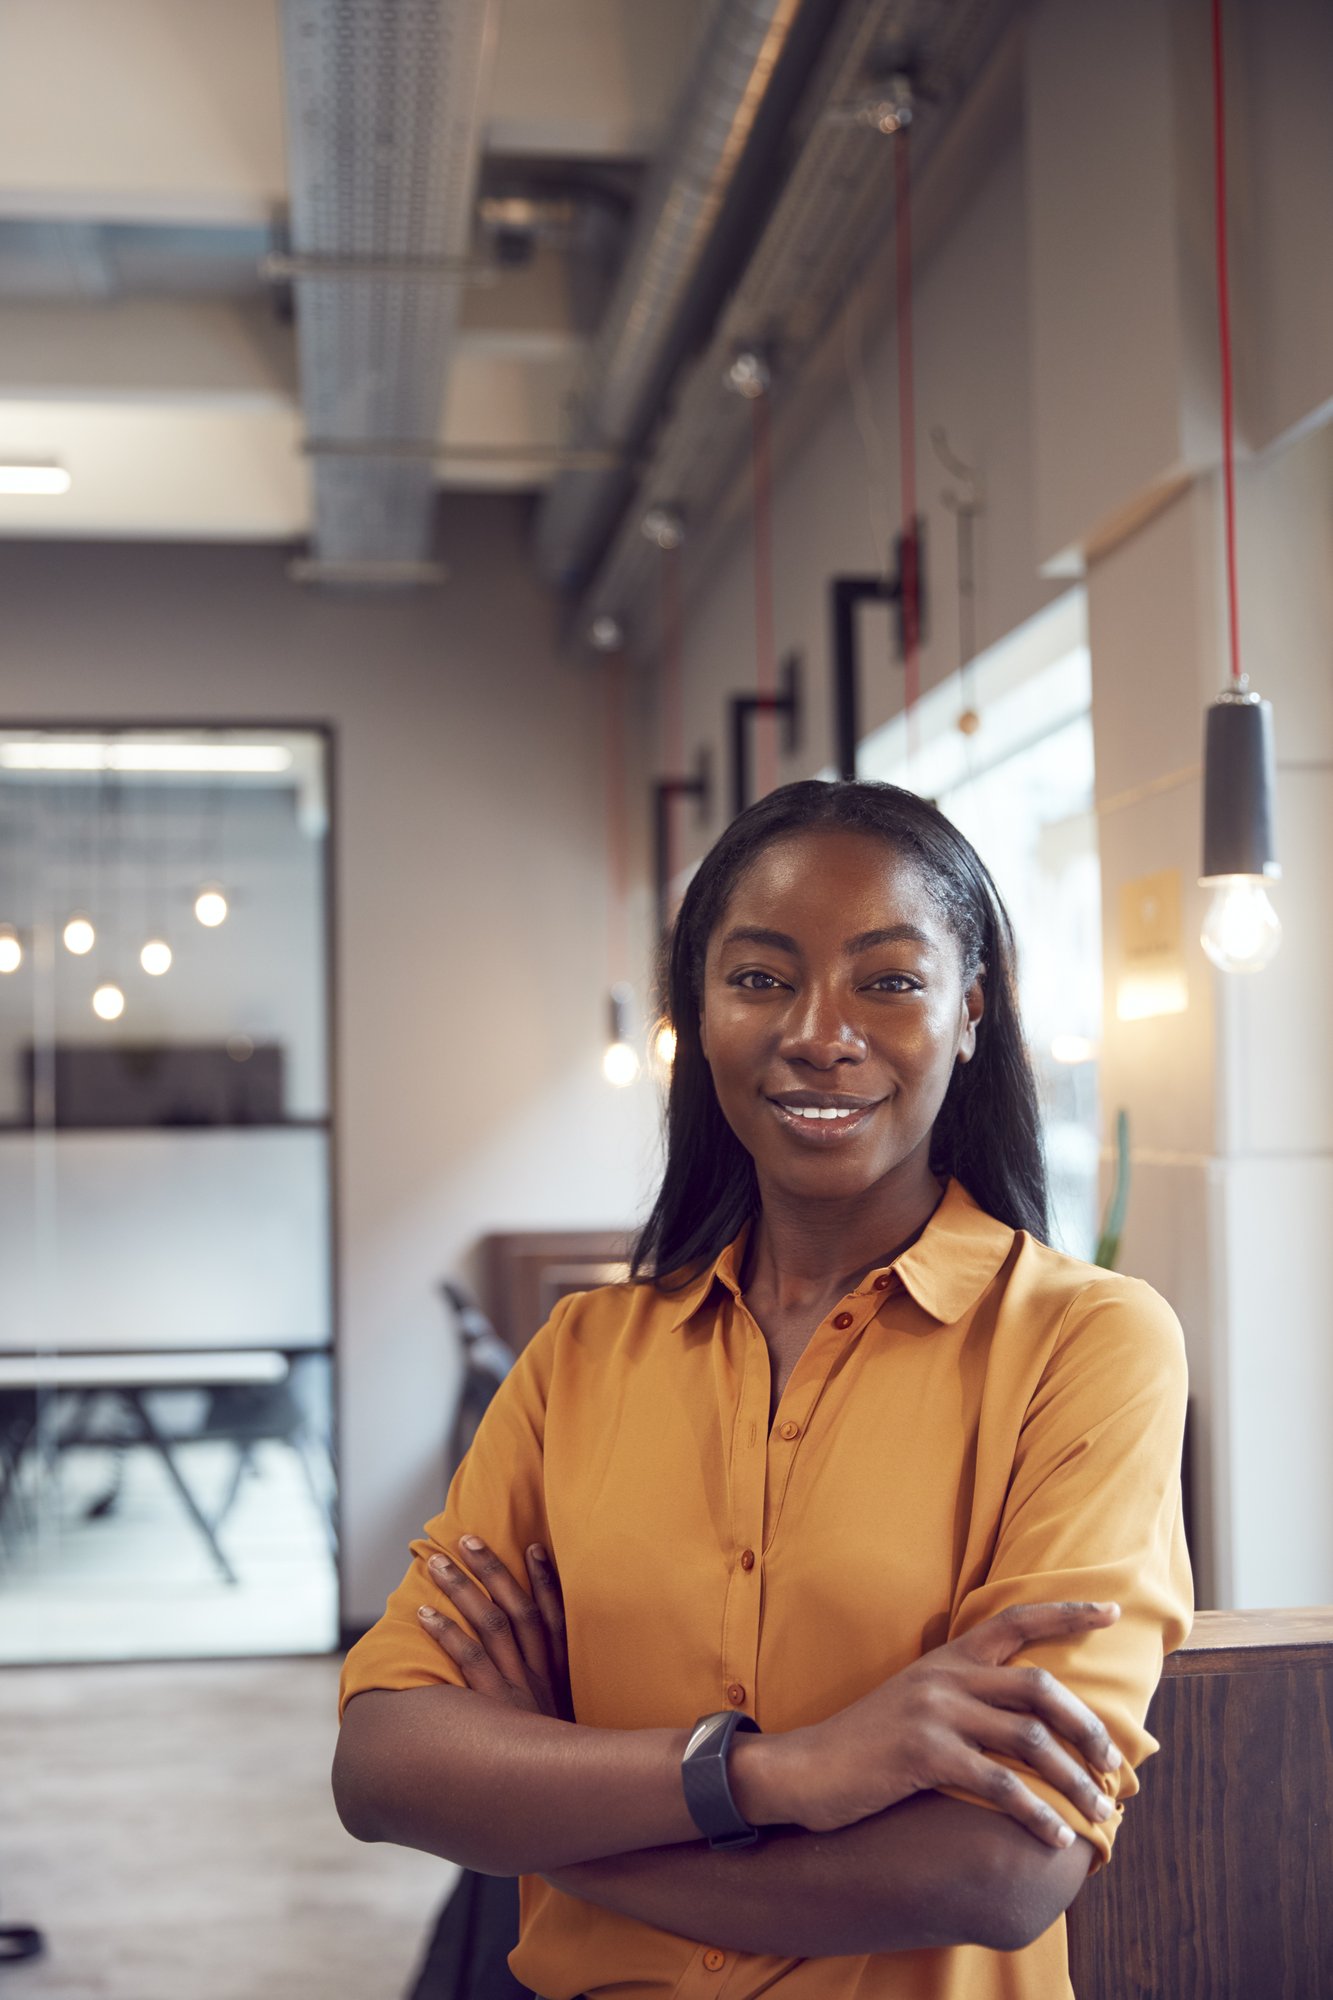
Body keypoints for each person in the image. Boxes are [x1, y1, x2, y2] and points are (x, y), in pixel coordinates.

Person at [335, 778, 1192, 2000]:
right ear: (701, 1010)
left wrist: (550, 1809)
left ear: (970, 1013)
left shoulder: (1086, 1343)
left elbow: (999, 1866)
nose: (817, 1031)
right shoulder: (579, 1356)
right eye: (759, 977)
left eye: (888, 980)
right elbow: (382, 1762)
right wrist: (782, 1771)